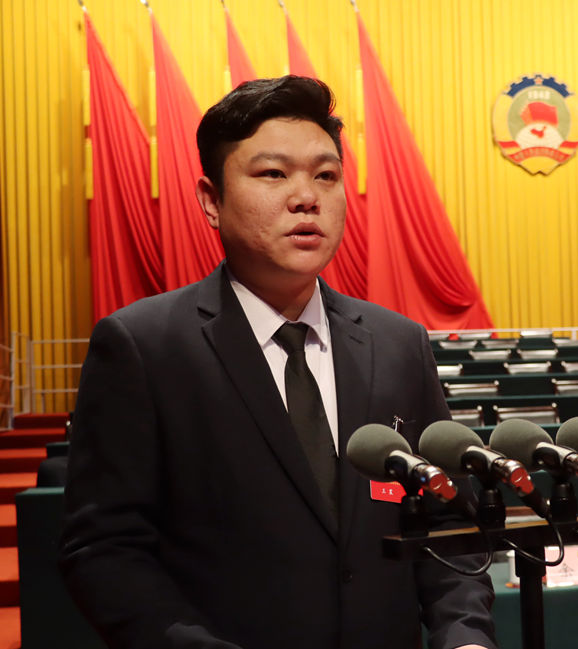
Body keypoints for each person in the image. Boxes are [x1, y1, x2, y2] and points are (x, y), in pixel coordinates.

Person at [59, 76, 497, 649]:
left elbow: (448, 522)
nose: (306, 197)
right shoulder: (143, 347)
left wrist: (465, 637)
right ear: (211, 200)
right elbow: (105, 550)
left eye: (326, 175)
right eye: (273, 173)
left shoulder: (398, 343)